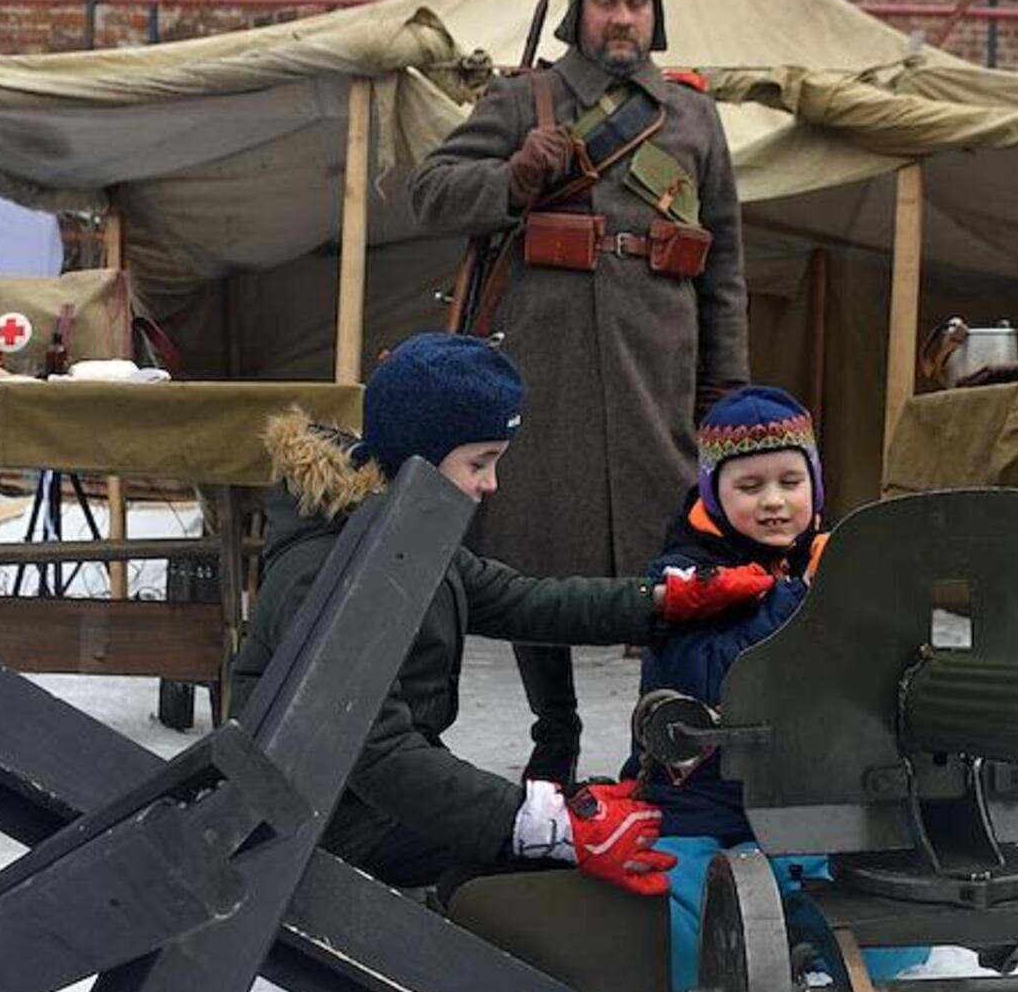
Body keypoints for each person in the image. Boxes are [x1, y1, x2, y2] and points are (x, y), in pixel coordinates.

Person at [228, 333, 774, 898]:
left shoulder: (396, 531)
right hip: (312, 821)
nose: (491, 484)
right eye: (479, 462)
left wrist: (659, 600)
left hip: (358, 800)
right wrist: (549, 825)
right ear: (419, 455)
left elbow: (521, 599)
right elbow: (378, 754)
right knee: (552, 876)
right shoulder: (330, 570)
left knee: (584, 825)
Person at [409, 0, 749, 789]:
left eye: (637, 0)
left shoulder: (693, 120)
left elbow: (727, 267)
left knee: (665, 557)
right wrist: (513, 176)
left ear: (655, 7)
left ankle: (653, 733)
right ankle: (553, 731)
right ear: (580, 10)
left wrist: (726, 386)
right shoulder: (526, 99)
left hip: (654, 368)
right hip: (545, 358)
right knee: (534, 550)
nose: (622, 18)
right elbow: (431, 193)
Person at [621, 385, 929, 992]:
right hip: (699, 808)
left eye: (790, 481)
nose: (774, 502)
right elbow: (708, 677)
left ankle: (791, 938)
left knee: (901, 934)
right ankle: (752, 940)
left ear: (815, 482)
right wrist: (798, 600)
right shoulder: (682, 577)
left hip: (808, 804)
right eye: (749, 485)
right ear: (713, 491)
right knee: (666, 944)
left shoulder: (840, 560)